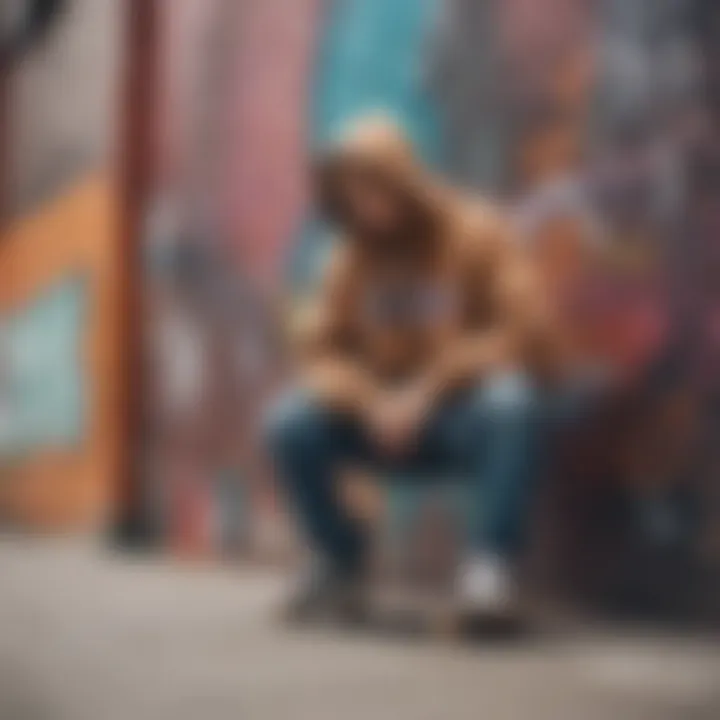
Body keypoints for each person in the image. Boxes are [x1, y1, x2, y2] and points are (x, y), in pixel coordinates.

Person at [266, 116, 564, 622]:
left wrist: (430, 389)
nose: (367, 206)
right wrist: (370, 401)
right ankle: (339, 563)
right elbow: (320, 352)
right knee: (289, 423)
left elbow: (528, 332)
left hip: (459, 417)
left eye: (375, 189)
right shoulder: (348, 259)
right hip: (381, 422)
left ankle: (488, 573)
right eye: (352, 194)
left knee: (512, 403)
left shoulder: (477, 231)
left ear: (403, 182)